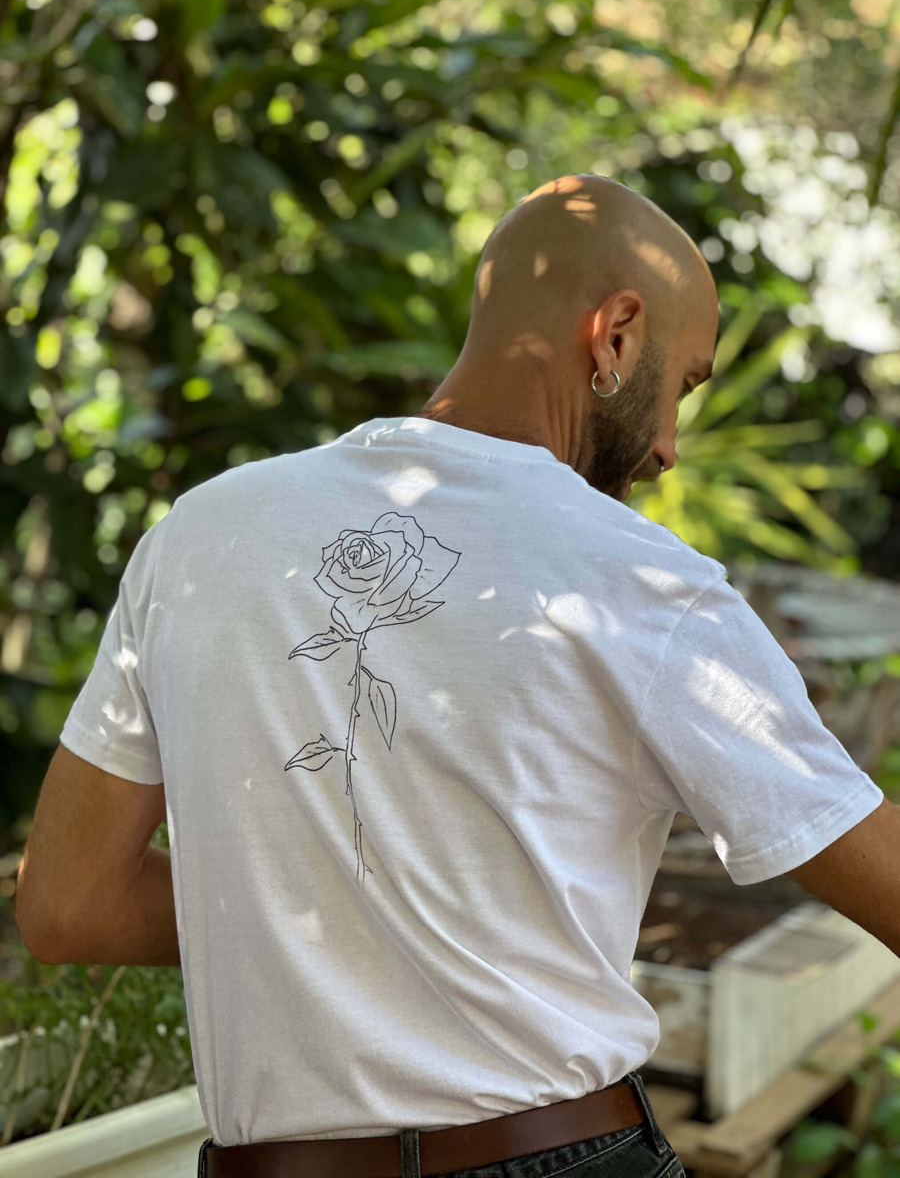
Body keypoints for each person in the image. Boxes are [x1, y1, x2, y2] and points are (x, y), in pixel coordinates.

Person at [15, 175, 897, 1178]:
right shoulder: (643, 583)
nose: (667, 448)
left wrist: (324, 913)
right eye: (682, 387)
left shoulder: (198, 538)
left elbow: (68, 904)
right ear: (614, 335)